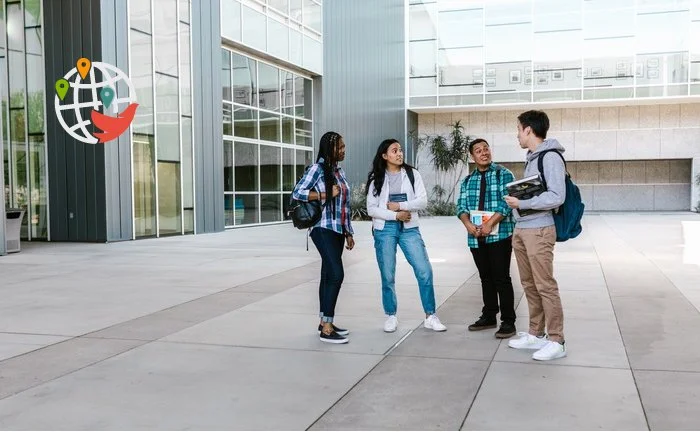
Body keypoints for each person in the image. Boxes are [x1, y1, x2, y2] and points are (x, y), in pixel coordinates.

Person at [504, 110, 568, 361]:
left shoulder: (550, 157)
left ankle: (557, 340)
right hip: (524, 228)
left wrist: (521, 204)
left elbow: (557, 196)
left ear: (529, 129)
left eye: (518, 130)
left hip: (540, 229)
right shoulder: (532, 157)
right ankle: (536, 333)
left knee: (545, 285)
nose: (517, 135)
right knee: (529, 284)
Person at [365, 138, 447, 333]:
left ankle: (430, 316)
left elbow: (423, 201)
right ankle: (391, 315)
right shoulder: (376, 178)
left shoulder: (412, 174)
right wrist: (395, 215)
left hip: (409, 228)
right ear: (384, 156)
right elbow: (371, 209)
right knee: (388, 274)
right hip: (385, 229)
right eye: (394, 151)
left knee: (424, 270)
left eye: (400, 150)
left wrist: (402, 206)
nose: (399, 153)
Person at [292, 131, 355, 344]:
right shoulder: (317, 170)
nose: (344, 150)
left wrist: (348, 232)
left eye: (344, 146)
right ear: (330, 149)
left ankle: (324, 321)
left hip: (337, 230)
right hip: (322, 228)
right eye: (340, 147)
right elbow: (298, 192)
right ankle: (327, 329)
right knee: (336, 274)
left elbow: (344, 205)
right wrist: (325, 194)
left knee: (328, 275)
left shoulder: (339, 171)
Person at [456, 138, 517, 339]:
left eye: (486, 149)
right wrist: (468, 225)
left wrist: (490, 223)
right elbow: (461, 207)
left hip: (499, 235)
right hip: (476, 237)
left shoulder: (503, 174)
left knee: (502, 278)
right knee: (485, 277)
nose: (484, 153)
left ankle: (508, 322)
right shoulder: (467, 180)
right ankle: (489, 315)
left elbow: (507, 204)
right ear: (472, 156)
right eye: (478, 150)